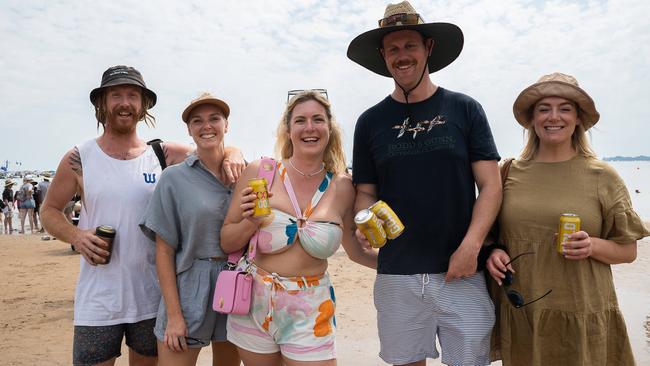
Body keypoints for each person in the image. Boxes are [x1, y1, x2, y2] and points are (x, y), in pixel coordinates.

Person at [40, 65, 244, 366]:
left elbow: (210, 145)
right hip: (98, 300)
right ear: (102, 103)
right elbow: (49, 211)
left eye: (133, 96)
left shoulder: (163, 154)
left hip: (152, 299)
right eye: (116, 95)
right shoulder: (79, 157)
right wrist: (77, 236)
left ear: (143, 104)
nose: (125, 102)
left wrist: (235, 152)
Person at [346, 2, 502, 365]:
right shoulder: (370, 122)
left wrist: (471, 246)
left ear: (428, 48)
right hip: (397, 275)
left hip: (460, 271)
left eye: (410, 46)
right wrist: (363, 220)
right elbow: (365, 191)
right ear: (383, 56)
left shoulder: (465, 109)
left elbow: (491, 186)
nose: (402, 56)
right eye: (393, 49)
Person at [485, 72, 650, 366]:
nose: (554, 117)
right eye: (544, 108)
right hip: (525, 315)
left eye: (565, 108)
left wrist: (592, 246)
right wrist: (494, 252)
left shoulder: (603, 176)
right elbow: (490, 235)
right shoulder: (508, 171)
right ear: (532, 119)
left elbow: (628, 251)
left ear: (578, 119)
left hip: (583, 313)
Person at [221, 90, 377, 365]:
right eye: (300, 120)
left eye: (318, 119)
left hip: (312, 309)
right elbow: (227, 241)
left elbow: (355, 252)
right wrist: (251, 222)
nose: (310, 128)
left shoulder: (343, 187)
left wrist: (405, 262)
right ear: (288, 130)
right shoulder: (261, 171)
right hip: (255, 303)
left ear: (329, 128)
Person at [140, 92, 240, 366]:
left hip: (236, 284)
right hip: (189, 289)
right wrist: (173, 315)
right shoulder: (173, 178)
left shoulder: (244, 174)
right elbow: (163, 251)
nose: (206, 126)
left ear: (226, 125)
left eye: (214, 118)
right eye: (197, 121)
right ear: (189, 129)